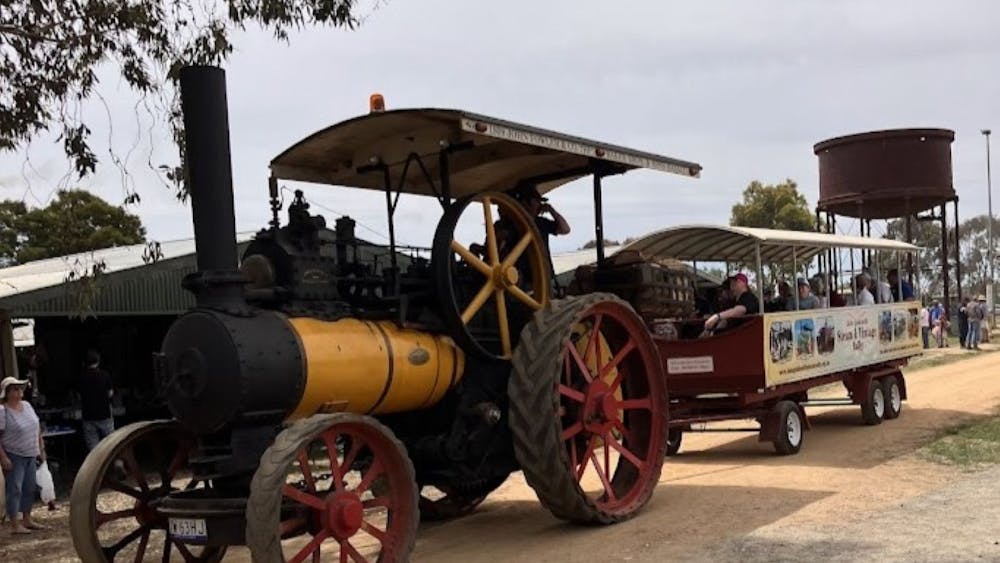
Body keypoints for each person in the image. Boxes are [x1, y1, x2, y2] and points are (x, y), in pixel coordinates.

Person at [0, 376, 46, 535]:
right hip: (14, 454)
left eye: (20, 388)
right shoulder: (3, 411)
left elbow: (37, 425)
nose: (19, 392)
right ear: (7, 393)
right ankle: (14, 523)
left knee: (29, 487)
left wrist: (41, 446)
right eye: (14, 389)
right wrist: (3, 457)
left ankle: (27, 518)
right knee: (15, 489)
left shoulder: (26, 406)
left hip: (30, 452)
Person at [79, 349, 115, 451]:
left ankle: (97, 465)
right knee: (110, 444)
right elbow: (110, 393)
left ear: (85, 363)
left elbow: (79, 395)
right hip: (104, 414)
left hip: (88, 415)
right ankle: (110, 464)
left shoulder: (82, 377)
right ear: (98, 361)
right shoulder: (105, 375)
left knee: (93, 448)